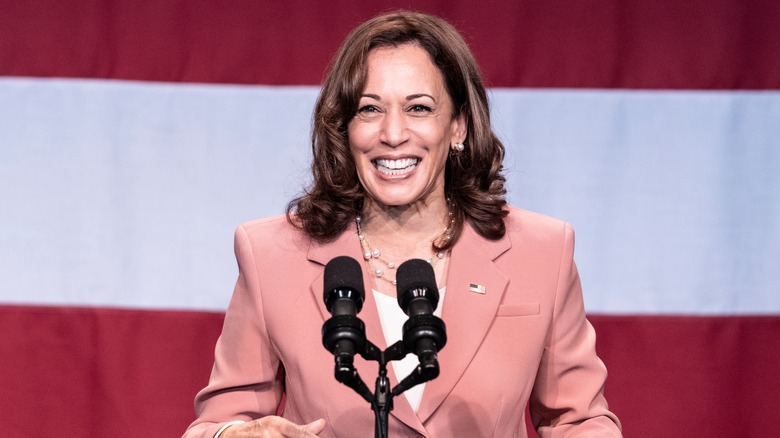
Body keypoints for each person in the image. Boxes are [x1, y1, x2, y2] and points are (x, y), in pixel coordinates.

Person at [184, 10, 622, 438]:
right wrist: (234, 435)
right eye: (370, 109)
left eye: (418, 108)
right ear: (345, 128)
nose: (393, 134)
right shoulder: (272, 255)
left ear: (458, 126)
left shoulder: (541, 251)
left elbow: (578, 419)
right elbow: (217, 422)